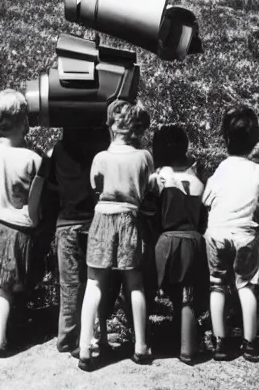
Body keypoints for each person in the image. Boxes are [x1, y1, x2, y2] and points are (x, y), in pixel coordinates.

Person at [76, 99, 154, 370]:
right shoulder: (144, 157)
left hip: (102, 218)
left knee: (94, 284)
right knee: (135, 284)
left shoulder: (101, 158)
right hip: (130, 218)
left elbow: (95, 185)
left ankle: (85, 347)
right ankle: (141, 346)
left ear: (110, 125)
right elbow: (146, 188)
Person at [203, 104, 259, 362]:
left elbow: (206, 200)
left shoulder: (221, 169)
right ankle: (250, 343)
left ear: (225, 138)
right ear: (254, 140)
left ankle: (220, 343)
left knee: (217, 285)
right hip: (244, 234)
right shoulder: (256, 170)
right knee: (246, 286)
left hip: (217, 232)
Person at [0, 89, 43, 358]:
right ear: (24, 123)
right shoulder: (35, 159)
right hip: (22, 226)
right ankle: (4, 337)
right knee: (14, 283)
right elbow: (35, 205)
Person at [40, 127, 110, 355]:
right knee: (95, 282)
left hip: (66, 223)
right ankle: (95, 335)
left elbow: (50, 189)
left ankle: (66, 338)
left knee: (69, 285)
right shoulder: (100, 150)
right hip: (94, 222)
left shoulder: (59, 150)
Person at [149, 125, 209, 364]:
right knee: (189, 295)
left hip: (167, 240)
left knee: (167, 291)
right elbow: (203, 219)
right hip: (194, 240)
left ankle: (159, 338)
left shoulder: (161, 176)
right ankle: (188, 346)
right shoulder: (197, 179)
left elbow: (152, 213)